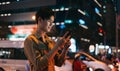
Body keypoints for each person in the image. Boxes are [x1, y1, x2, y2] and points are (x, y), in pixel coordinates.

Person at [24, 7, 71, 71]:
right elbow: (38, 65)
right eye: (49, 21)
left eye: (52, 22)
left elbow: (59, 63)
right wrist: (57, 46)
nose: (51, 25)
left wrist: (65, 49)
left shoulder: (49, 41)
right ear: (40, 20)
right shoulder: (30, 40)